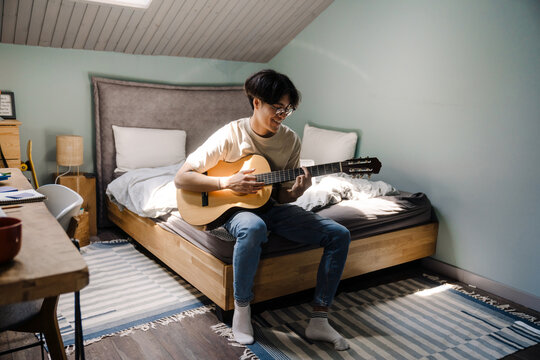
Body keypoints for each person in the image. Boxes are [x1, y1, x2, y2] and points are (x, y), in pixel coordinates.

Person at [174, 69, 351, 350]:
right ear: (256, 102)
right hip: (230, 209)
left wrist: (296, 191)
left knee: (339, 234)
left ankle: (319, 318)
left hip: (269, 206)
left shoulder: (290, 140)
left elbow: (281, 195)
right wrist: (226, 181)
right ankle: (242, 309)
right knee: (253, 227)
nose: (282, 115)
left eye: (288, 109)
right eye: (277, 108)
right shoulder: (231, 134)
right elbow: (182, 177)